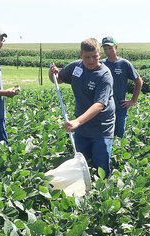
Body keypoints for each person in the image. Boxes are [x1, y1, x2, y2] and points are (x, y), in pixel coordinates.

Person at [49, 38, 115, 178]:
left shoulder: (104, 74)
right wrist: (52, 73)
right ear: (81, 55)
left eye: (95, 57)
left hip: (101, 128)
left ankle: (102, 196)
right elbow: (58, 78)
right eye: (87, 57)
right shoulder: (76, 67)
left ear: (99, 54)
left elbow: (99, 105)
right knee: (81, 167)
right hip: (82, 129)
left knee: (100, 169)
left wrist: (77, 121)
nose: (91, 61)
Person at [101, 36, 143, 138]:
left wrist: (132, 101)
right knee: (105, 137)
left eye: (110, 48)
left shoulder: (124, 64)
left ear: (116, 47)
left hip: (120, 107)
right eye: (105, 48)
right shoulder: (101, 64)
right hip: (104, 108)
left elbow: (139, 81)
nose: (107, 51)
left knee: (119, 136)